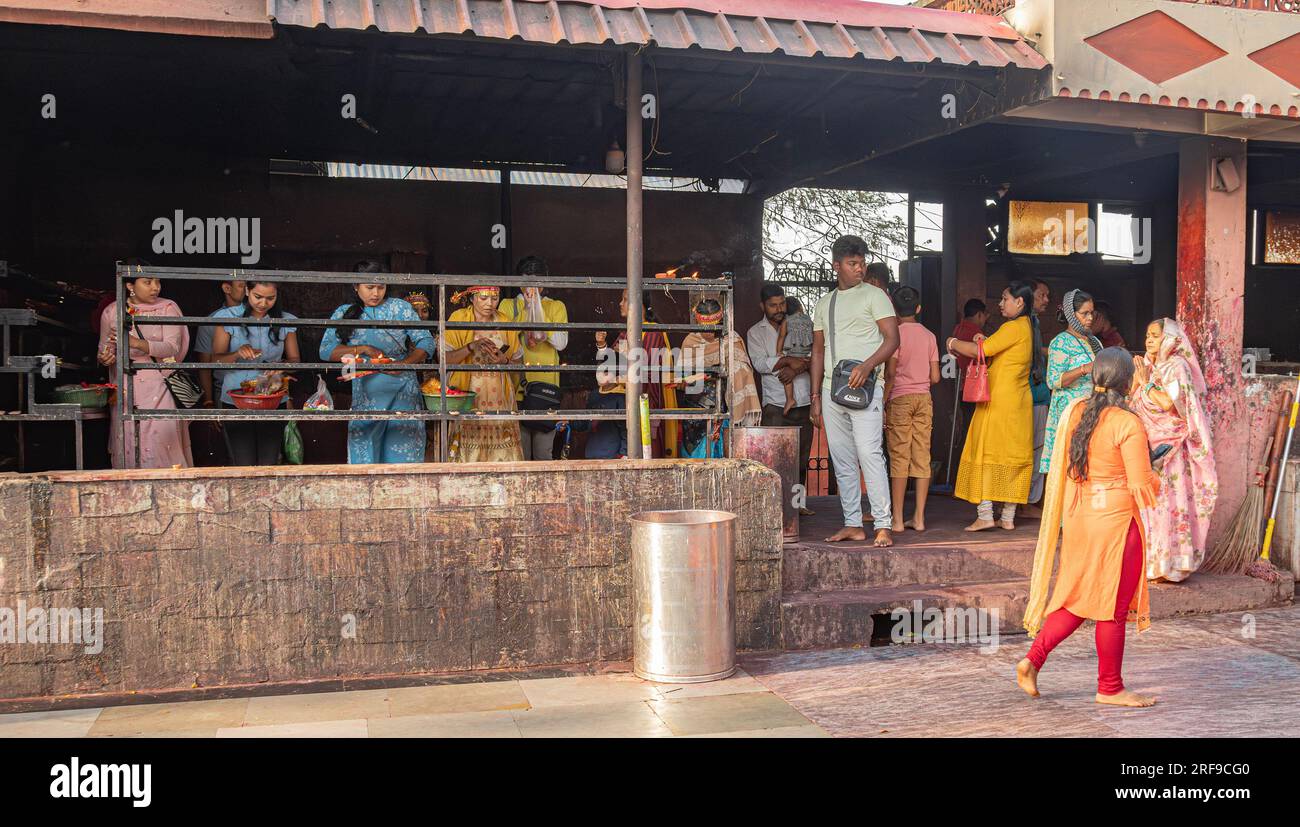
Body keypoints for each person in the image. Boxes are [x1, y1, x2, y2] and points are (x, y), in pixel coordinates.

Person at [1018, 347, 1161, 708]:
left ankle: (1031, 661)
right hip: (1114, 523)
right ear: (1128, 382)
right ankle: (1109, 687)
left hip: (1081, 519)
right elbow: (1141, 485)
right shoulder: (1127, 422)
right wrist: (1157, 471)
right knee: (1111, 607)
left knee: (1080, 598)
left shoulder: (1077, 411)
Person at [811, 235, 900, 547]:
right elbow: (818, 352)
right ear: (837, 266)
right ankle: (852, 523)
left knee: (870, 454)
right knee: (843, 460)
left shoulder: (875, 296)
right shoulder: (825, 303)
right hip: (830, 390)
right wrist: (814, 397)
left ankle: (883, 524)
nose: (859, 268)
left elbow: (892, 340)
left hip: (867, 388)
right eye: (852, 264)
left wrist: (867, 366)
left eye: (861, 263)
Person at [945, 280, 1044, 531]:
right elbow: (999, 348)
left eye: (1004, 299)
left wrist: (953, 343)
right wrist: (984, 339)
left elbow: (984, 350)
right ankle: (1008, 517)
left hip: (1000, 402)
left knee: (987, 452)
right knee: (1012, 456)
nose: (1000, 304)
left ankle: (986, 514)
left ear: (1019, 302)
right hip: (1019, 403)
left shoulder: (1013, 327)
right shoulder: (1028, 327)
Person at [320, 261, 433, 464]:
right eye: (369, 287)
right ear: (356, 287)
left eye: (381, 287)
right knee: (366, 456)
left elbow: (425, 341)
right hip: (366, 394)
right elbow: (326, 351)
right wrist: (361, 349)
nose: (376, 293)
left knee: (403, 455)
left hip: (403, 391)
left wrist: (405, 363)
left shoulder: (400, 308)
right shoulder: (344, 312)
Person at [1131, 318, 1218, 582]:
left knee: (1170, 502)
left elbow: (1171, 404)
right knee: (1150, 506)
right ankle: (1151, 563)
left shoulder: (1177, 367)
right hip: (1146, 444)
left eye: (1155, 336)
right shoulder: (1147, 365)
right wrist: (1140, 382)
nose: (1149, 340)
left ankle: (1172, 565)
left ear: (1169, 339)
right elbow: (1133, 398)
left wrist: (1147, 383)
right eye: (1147, 335)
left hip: (1170, 449)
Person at [96, 272, 194, 469]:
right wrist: (106, 358)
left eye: (158, 281)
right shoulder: (113, 311)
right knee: (130, 438)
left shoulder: (167, 308)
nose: (155, 287)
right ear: (129, 285)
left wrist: (136, 343)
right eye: (148, 282)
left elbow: (173, 347)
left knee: (161, 440)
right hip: (126, 384)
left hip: (159, 383)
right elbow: (104, 349)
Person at [209, 281, 299, 466]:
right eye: (258, 297)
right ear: (247, 290)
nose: (263, 304)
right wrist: (236, 353)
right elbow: (214, 360)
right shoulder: (227, 317)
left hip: (273, 398)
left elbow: (295, 361)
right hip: (235, 399)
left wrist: (282, 366)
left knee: (269, 462)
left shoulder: (286, 320)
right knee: (243, 463)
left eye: (270, 298)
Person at [746, 284, 814, 511]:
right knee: (774, 459)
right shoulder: (756, 332)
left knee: (802, 460)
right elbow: (759, 363)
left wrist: (795, 369)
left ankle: (798, 505)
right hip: (775, 405)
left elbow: (816, 356)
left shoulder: (802, 325)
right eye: (773, 305)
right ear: (762, 306)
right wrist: (786, 361)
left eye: (782, 303)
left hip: (804, 401)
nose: (779, 309)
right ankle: (775, 507)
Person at [443, 284, 525, 462]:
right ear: (472, 298)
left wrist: (504, 361)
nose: (490, 303)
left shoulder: (505, 322)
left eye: (494, 298)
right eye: (483, 298)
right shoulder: (459, 318)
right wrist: (471, 347)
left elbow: (519, 362)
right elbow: (444, 359)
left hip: (500, 395)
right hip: (469, 393)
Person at [595, 289, 678, 458]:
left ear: (640, 306)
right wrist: (601, 345)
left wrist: (619, 378)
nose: (620, 303)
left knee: (648, 456)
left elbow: (648, 374)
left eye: (625, 299)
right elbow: (608, 366)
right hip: (627, 405)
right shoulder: (626, 332)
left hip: (647, 406)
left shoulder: (653, 332)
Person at [501, 256, 569, 461]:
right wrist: (527, 311)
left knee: (542, 454)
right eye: (526, 281)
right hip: (516, 388)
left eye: (537, 282)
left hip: (545, 392)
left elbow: (561, 343)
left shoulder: (556, 307)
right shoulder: (507, 305)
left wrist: (539, 313)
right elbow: (503, 339)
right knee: (518, 454)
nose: (531, 287)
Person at [884, 286, 939, 532]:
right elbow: (936, 377)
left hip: (900, 399)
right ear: (918, 309)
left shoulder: (894, 335)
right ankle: (919, 518)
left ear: (894, 310)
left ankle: (896, 520)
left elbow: (891, 373)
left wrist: (884, 401)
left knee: (899, 458)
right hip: (924, 398)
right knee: (921, 457)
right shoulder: (929, 336)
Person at [679, 297, 762, 457]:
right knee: (696, 458)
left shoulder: (731, 339)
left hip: (726, 406)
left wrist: (728, 372)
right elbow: (682, 376)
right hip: (697, 406)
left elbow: (744, 371)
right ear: (698, 321)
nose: (710, 333)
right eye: (705, 327)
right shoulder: (691, 341)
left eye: (714, 327)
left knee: (723, 454)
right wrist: (694, 377)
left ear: (721, 319)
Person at [1039, 289, 1099, 476]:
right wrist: (1083, 369)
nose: (1090, 318)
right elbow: (1053, 380)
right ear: (1071, 315)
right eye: (1084, 314)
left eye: (1092, 313)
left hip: (1091, 410)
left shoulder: (1094, 341)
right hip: (1069, 412)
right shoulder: (1061, 343)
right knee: (1069, 463)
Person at [194, 279, 247, 409]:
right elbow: (204, 367)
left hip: (262, 391)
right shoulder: (211, 322)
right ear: (227, 288)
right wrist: (208, 402)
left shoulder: (261, 317)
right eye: (242, 286)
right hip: (226, 395)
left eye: (249, 286)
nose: (247, 290)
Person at [1025, 279, 1053, 513]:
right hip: (1031, 394)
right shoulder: (1024, 323)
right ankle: (1026, 500)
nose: (1046, 300)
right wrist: (1054, 351)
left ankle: (1028, 500)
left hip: (1037, 393)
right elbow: (1031, 354)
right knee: (1035, 447)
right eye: (1042, 295)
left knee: (1036, 447)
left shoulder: (1032, 321)